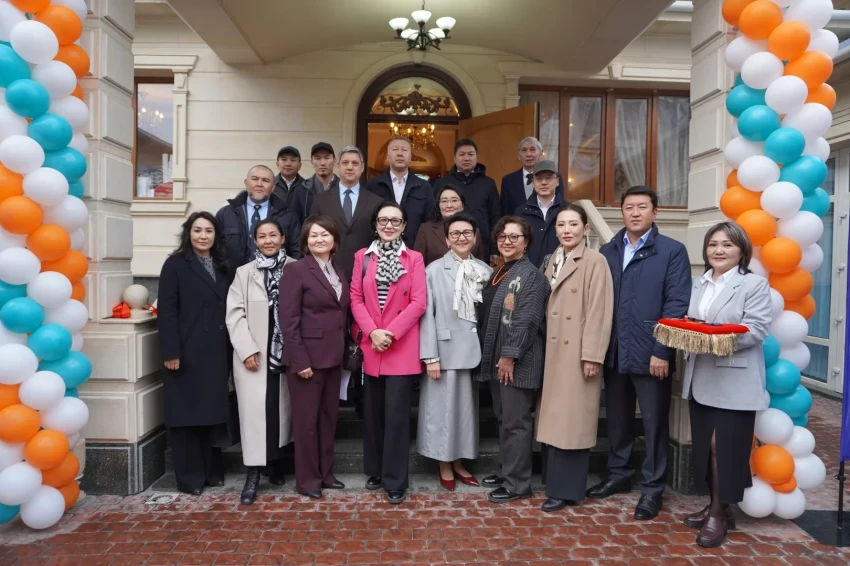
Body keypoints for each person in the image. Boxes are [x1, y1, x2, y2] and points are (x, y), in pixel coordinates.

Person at [587, 185, 691, 521]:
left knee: (654, 423)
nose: (635, 212)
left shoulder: (671, 251)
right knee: (618, 420)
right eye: (629, 207)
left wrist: (662, 350)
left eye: (642, 207)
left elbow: (676, 304)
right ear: (622, 212)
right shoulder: (608, 250)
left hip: (651, 354)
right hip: (615, 351)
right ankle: (619, 475)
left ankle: (653, 489)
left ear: (654, 212)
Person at [681, 222, 771, 548]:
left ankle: (719, 514)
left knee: (724, 447)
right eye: (713, 244)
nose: (718, 250)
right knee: (707, 446)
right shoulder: (698, 283)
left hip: (735, 379)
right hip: (700, 376)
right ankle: (716, 505)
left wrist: (710, 335)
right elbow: (692, 322)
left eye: (727, 245)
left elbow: (756, 329)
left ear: (741, 250)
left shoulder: (754, 284)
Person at [536, 205, 614, 512]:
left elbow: (599, 311)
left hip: (577, 352)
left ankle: (567, 490)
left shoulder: (595, 260)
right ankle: (555, 484)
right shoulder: (553, 258)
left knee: (572, 422)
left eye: (573, 224)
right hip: (553, 351)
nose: (567, 230)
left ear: (586, 228)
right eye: (561, 225)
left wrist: (592, 355)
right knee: (558, 420)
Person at [349, 202, 426, 504]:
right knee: (373, 413)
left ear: (404, 225)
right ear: (376, 224)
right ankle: (376, 470)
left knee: (396, 416)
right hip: (372, 345)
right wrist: (372, 332)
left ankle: (395, 479)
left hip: (400, 345)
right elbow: (355, 299)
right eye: (383, 220)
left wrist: (389, 333)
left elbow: (418, 302)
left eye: (396, 220)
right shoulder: (363, 256)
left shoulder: (414, 258)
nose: (389, 225)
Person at [157, 211, 233, 495]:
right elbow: (167, 311)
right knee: (186, 415)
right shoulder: (175, 264)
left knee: (211, 414)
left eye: (209, 231)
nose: (203, 236)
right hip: (186, 351)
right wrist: (171, 351)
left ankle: (212, 472)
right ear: (188, 233)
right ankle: (190, 478)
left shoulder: (223, 264)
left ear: (216, 235)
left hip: (217, 351)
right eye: (197, 230)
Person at [476, 216, 549, 503]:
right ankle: (506, 471)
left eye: (514, 237)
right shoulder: (502, 271)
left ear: (526, 242)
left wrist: (509, 355)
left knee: (516, 423)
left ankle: (517, 484)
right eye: (502, 237)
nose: (507, 241)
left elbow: (527, 319)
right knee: (504, 419)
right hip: (499, 360)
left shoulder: (532, 276)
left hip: (518, 362)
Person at [418, 211, 492, 491]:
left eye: (467, 233)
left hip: (474, 352)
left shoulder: (484, 270)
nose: (462, 238)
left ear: (475, 238)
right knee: (441, 412)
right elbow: (427, 315)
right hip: (444, 352)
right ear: (447, 240)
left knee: (464, 414)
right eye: (455, 234)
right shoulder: (434, 270)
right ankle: (444, 464)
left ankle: (459, 462)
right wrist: (430, 356)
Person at [279, 216, 350, 499]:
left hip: (333, 358)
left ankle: (326, 474)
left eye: (325, 234)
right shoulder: (296, 270)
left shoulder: (338, 270)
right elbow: (288, 320)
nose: (320, 239)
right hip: (306, 359)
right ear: (306, 242)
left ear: (334, 239)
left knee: (327, 420)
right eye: (314, 236)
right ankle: (308, 481)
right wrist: (300, 361)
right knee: (306, 424)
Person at [225, 218, 295, 505]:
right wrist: (246, 350)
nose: (268, 240)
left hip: (284, 353)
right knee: (255, 415)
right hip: (255, 354)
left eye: (273, 235)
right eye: (262, 236)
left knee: (279, 412)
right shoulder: (244, 273)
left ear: (282, 238)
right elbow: (234, 314)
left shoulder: (296, 268)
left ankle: (275, 464)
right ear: (255, 241)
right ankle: (253, 473)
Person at [311, 145, 383, 280]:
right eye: (345, 163)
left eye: (355, 163)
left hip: (365, 271)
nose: (350, 167)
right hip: (328, 271)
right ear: (338, 166)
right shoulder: (321, 200)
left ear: (362, 167)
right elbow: (311, 236)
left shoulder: (376, 202)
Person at [216, 164, 301, 268]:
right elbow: (216, 248)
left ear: (273, 187)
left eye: (265, 180)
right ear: (246, 183)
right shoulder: (225, 214)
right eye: (255, 179)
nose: (259, 184)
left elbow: (296, 250)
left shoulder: (287, 215)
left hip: (277, 276)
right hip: (232, 276)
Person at [433, 139, 501, 264]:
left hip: (481, 245)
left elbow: (495, 216)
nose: (466, 158)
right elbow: (434, 214)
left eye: (470, 154)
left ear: (477, 157)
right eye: (462, 154)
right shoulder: (441, 183)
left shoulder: (488, 183)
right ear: (454, 158)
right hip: (447, 244)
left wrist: (494, 249)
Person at [365, 136, 435, 247]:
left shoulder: (424, 187)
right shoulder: (373, 185)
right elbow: (368, 220)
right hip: (380, 249)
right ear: (388, 156)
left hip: (413, 249)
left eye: (404, 150)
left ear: (410, 157)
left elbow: (429, 222)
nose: (399, 153)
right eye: (395, 149)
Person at [413, 185, 484, 265]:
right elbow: (418, 263)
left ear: (463, 205)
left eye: (454, 200)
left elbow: (479, 263)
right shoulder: (426, 229)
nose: (449, 205)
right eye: (444, 201)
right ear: (438, 205)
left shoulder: (474, 230)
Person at [515, 160, 567, 268]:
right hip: (528, 272)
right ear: (533, 183)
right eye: (539, 179)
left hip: (561, 271)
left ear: (557, 181)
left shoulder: (568, 211)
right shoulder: (521, 212)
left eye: (549, 178)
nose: (543, 182)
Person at [500, 137, 564, 216]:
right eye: (524, 150)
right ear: (519, 155)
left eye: (532, 150)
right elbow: (505, 212)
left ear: (540, 153)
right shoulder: (508, 180)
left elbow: (560, 205)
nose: (528, 154)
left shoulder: (555, 177)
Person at [291, 142, 340, 223]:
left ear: (334, 161)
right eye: (317, 158)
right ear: (312, 162)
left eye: (327, 158)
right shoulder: (301, 190)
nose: (322, 163)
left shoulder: (344, 188)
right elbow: (295, 223)